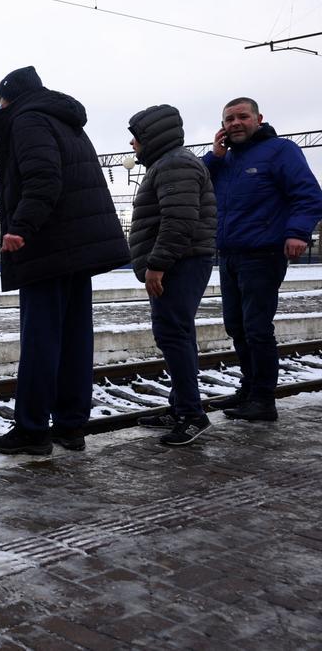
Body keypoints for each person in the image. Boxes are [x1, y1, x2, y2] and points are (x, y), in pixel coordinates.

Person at [0, 66, 129, 456]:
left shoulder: (28, 118)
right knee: (75, 339)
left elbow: (43, 177)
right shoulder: (65, 120)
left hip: (48, 245)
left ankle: (32, 430)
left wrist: (21, 226)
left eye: (0, 102)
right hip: (76, 248)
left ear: (9, 98)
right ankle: (70, 425)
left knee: (42, 341)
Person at [205, 97, 322, 422]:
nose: (235, 123)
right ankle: (249, 388)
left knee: (256, 328)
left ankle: (263, 399)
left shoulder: (280, 150)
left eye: (242, 116)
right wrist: (214, 157)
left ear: (259, 118)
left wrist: (297, 232)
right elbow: (201, 184)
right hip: (229, 255)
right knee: (236, 326)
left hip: (263, 253)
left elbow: (309, 194)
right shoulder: (225, 160)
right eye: (229, 119)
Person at [126, 105, 217, 446]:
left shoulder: (175, 163)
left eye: (137, 136)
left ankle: (193, 415)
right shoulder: (171, 162)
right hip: (183, 260)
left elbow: (179, 220)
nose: (133, 143)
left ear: (152, 136)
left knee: (173, 334)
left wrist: (158, 264)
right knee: (178, 333)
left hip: (180, 262)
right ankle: (180, 407)